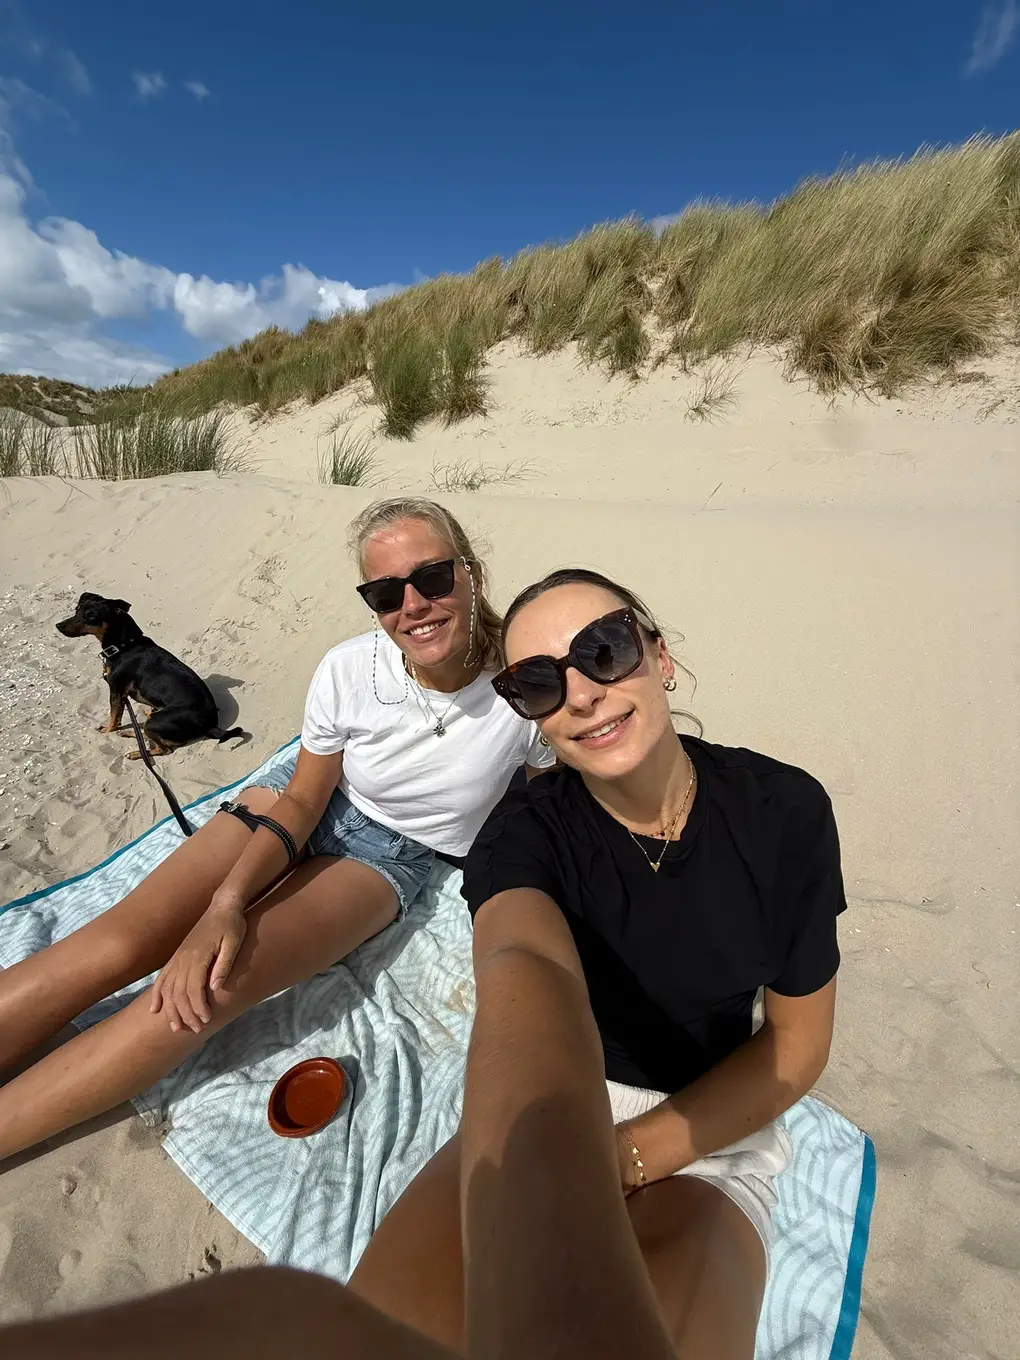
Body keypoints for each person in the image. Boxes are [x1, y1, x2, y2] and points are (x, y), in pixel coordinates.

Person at [350, 568, 846, 1360]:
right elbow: (522, 966)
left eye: (604, 650)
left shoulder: (782, 812)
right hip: (558, 1104)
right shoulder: (523, 836)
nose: (579, 693)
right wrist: (555, 1158)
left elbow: (796, 1044)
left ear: (659, 655)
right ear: (531, 718)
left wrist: (623, 1159)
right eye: (538, 683)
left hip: (710, 1119)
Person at [0, 498, 553, 1163]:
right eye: (384, 592)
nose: (413, 604)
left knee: (203, 990)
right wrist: (225, 905)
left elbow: (558, 794)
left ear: (472, 572)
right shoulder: (350, 669)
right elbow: (302, 800)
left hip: (391, 854)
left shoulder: (527, 687)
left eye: (433, 577)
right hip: (302, 800)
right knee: (116, 942)